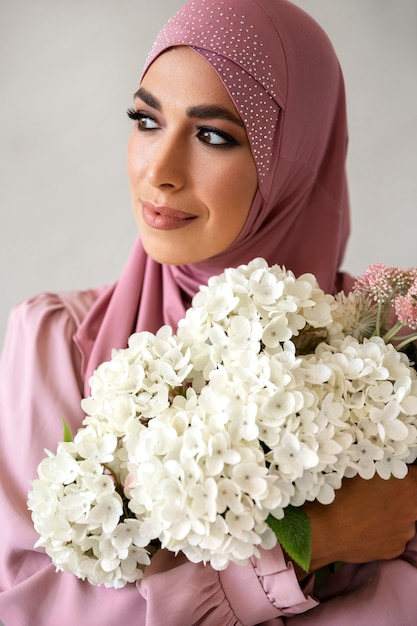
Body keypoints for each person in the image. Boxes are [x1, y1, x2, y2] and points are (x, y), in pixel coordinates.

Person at [1, 0, 417, 624]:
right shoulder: (59, 345)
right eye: (145, 121)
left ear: (294, 158)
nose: (160, 172)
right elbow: (28, 605)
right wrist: (304, 551)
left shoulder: (389, 352)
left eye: (213, 135)